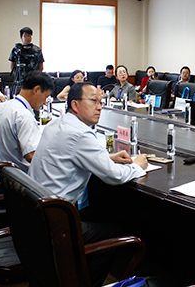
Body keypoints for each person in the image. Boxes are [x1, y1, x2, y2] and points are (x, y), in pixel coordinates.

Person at [29, 82, 148, 286]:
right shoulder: (80, 134)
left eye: (101, 102)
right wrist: (137, 166)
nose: (99, 107)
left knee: (102, 213)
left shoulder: (58, 124)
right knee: (113, 231)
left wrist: (107, 157)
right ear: (75, 105)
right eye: (93, 101)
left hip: (37, 214)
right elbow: (114, 177)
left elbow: (70, 153)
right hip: (56, 223)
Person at [0, 71, 54, 182]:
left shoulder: (3, 107)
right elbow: (33, 156)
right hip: (17, 182)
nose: (45, 102)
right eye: (46, 96)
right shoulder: (24, 116)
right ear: (36, 90)